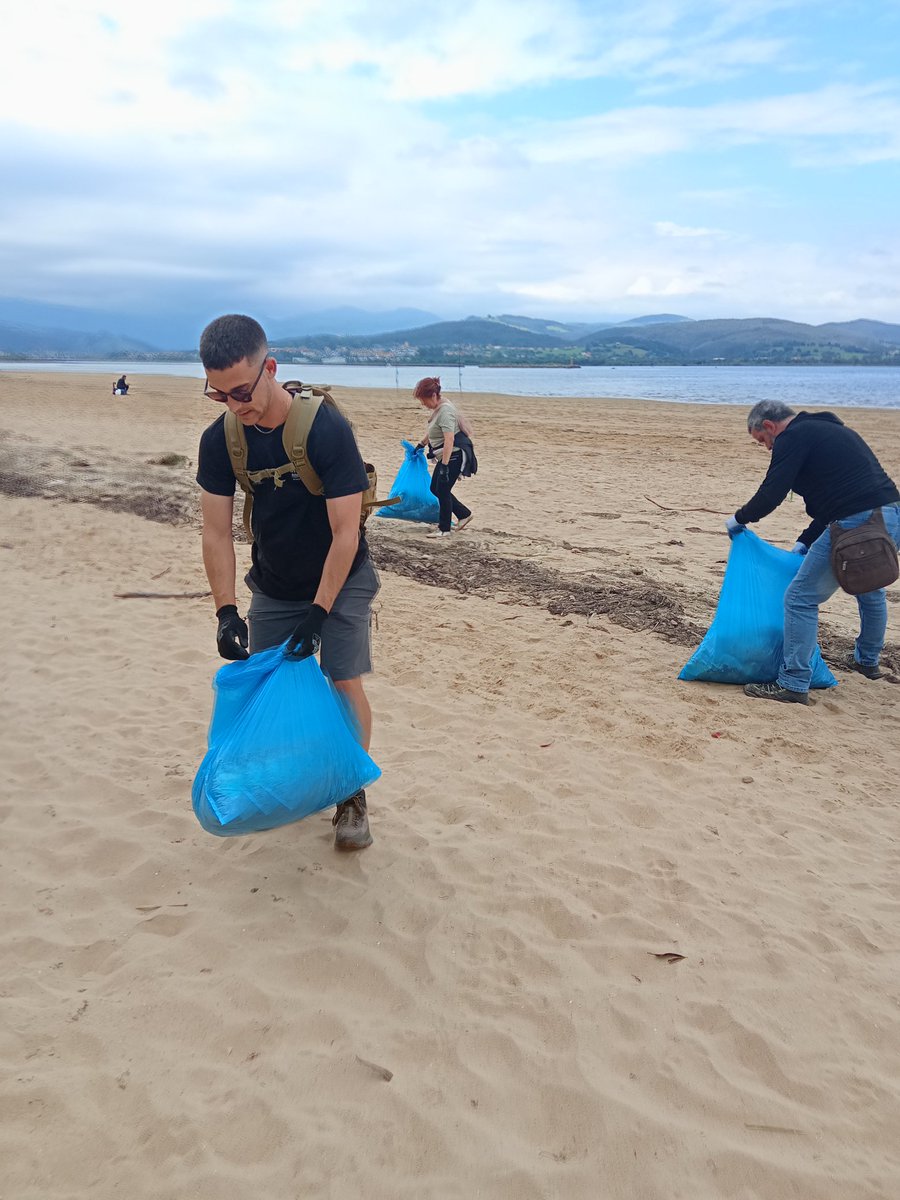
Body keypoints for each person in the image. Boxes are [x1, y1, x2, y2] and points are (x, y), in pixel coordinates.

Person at [195, 314, 379, 850]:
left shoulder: (325, 430)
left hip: (341, 577)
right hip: (275, 583)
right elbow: (215, 532)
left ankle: (350, 793)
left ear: (270, 368)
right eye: (219, 394)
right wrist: (226, 611)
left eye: (242, 391)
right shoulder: (220, 441)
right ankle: (293, 780)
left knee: (342, 679)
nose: (235, 405)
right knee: (269, 683)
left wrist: (319, 615)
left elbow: (346, 534)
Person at [726, 399, 899, 704]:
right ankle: (867, 661)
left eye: (762, 440)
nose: (767, 447)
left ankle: (793, 683)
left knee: (799, 598)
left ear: (769, 425)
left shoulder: (792, 437)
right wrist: (806, 540)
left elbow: (773, 491)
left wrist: (739, 519)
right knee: (870, 589)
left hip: (856, 522)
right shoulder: (830, 430)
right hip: (891, 516)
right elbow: (840, 496)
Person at [412, 376, 474, 538]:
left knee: (443, 490)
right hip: (448, 456)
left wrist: (445, 466)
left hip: (454, 455)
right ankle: (464, 514)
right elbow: (434, 431)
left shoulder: (446, 411)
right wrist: (421, 444)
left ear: (433, 395)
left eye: (424, 400)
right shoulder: (438, 409)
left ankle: (444, 529)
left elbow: (449, 439)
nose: (423, 404)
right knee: (435, 488)